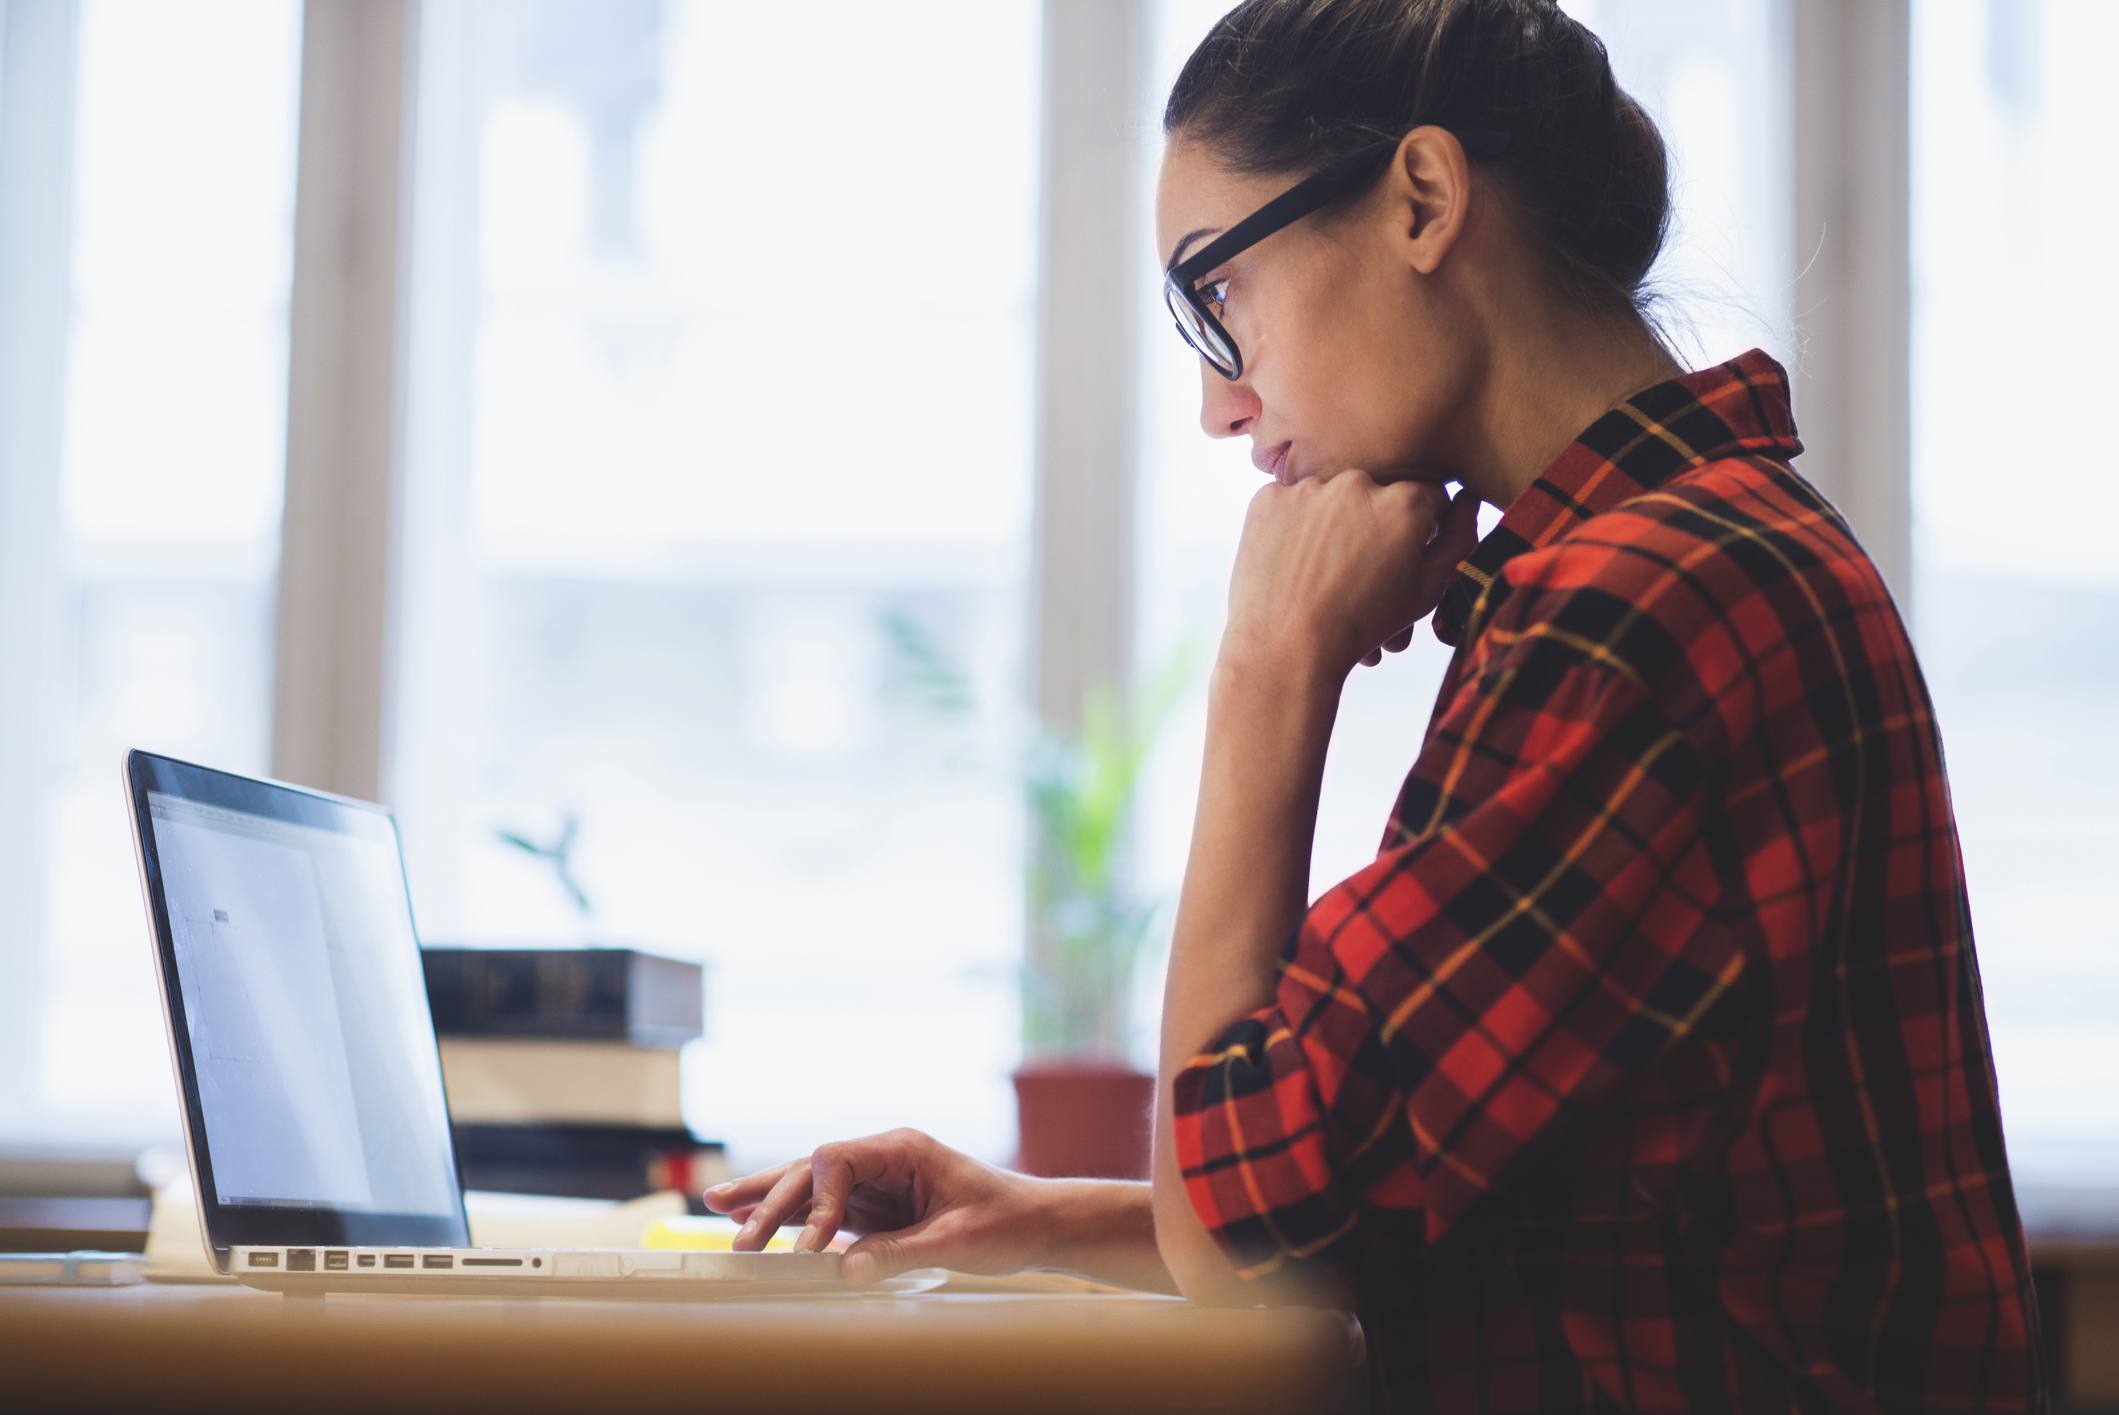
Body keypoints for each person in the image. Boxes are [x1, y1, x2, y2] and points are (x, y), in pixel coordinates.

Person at [705, 0, 2046, 1407]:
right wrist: (1043, 1218)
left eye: (1215, 295)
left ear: (1421, 200)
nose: (1219, 407)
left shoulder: (1638, 611)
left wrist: (1269, 669)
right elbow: (1461, 1207)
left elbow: (1246, 1247)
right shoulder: (1684, 553)